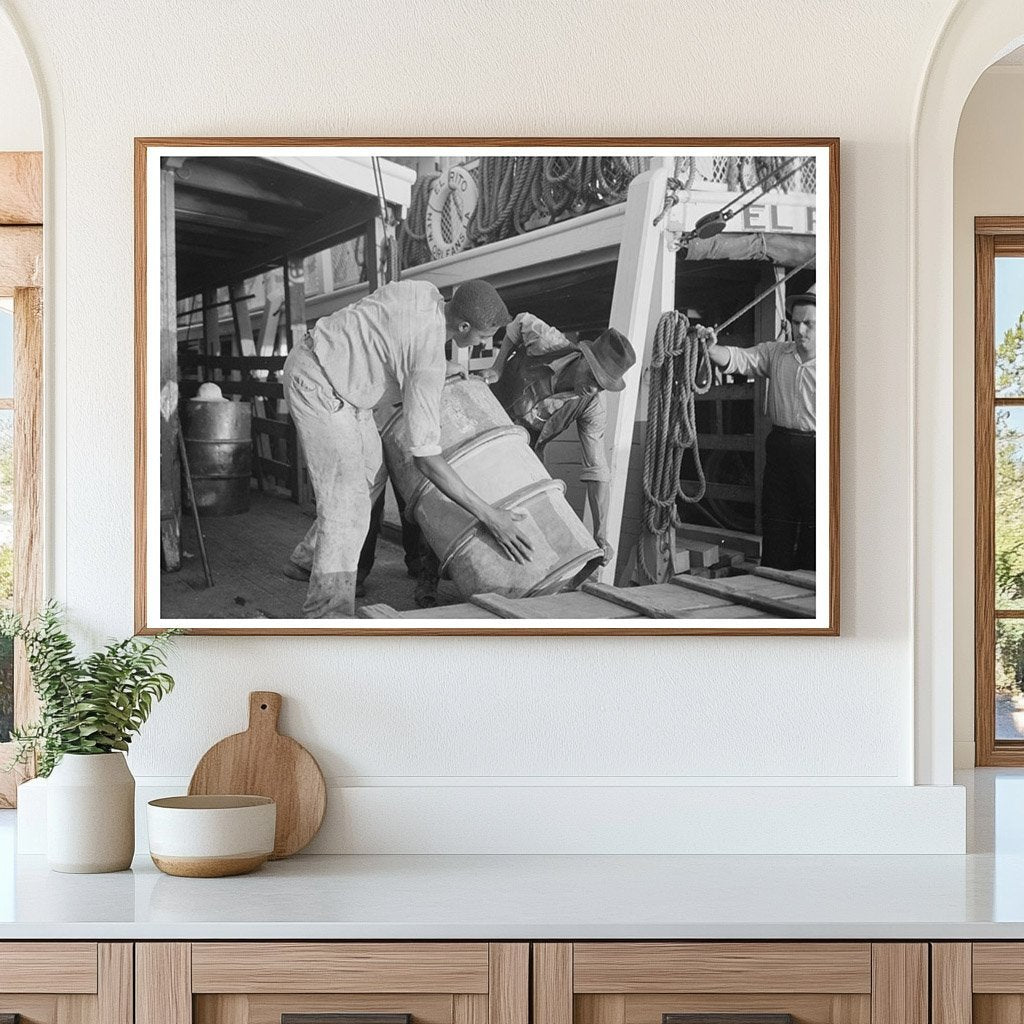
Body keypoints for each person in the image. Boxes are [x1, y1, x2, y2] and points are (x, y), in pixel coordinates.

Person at [283, 279, 533, 618]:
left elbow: (394, 339)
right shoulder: (426, 361)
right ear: (462, 326)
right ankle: (327, 614)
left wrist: (442, 367)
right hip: (317, 383)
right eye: (483, 336)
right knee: (348, 505)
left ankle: (307, 558)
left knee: (372, 472)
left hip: (341, 378)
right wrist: (491, 515)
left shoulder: (423, 291)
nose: (484, 342)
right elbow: (427, 459)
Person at [480, 313, 636, 565]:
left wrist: (599, 532)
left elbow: (597, 471)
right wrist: (497, 367)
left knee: (526, 510)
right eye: (593, 377)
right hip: (487, 422)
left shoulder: (593, 405)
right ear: (584, 357)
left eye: (602, 385)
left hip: (525, 450)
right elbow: (520, 321)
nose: (593, 389)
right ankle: (427, 577)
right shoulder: (549, 342)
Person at [705, 288, 817, 571]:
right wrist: (710, 348)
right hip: (780, 446)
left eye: (809, 324)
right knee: (777, 519)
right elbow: (740, 358)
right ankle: (773, 580)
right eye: (796, 322)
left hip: (818, 450)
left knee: (816, 524)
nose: (799, 330)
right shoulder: (777, 353)